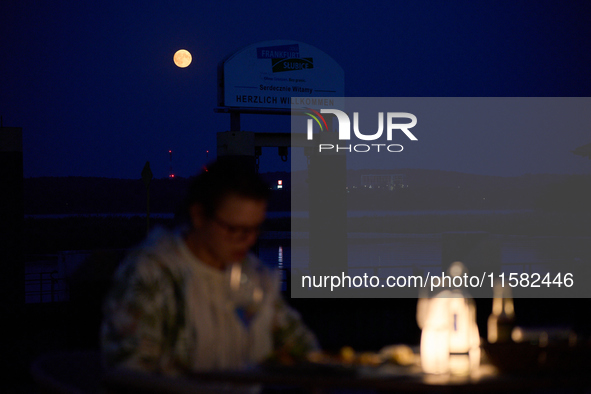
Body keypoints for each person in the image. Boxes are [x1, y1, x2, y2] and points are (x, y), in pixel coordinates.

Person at [101, 159, 318, 375]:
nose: (248, 241)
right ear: (198, 216)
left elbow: (299, 344)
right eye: (234, 229)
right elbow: (131, 371)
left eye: (255, 229)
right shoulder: (153, 272)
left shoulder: (253, 275)